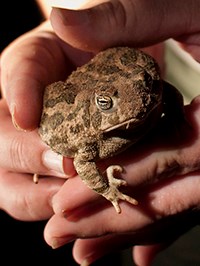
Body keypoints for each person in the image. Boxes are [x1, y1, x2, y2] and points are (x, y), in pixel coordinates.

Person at [0, 0, 200, 265]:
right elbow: (83, 160)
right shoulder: (92, 134)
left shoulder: (146, 92)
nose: (138, 102)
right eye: (108, 104)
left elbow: (166, 92)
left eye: (144, 86)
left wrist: (178, 118)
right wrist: (107, 189)